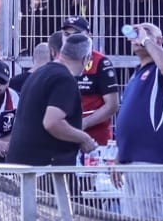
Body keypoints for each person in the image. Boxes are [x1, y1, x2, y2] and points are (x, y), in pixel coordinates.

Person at [112, 23, 163, 220]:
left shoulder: (162, 70)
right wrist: (119, 156)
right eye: (136, 32)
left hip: (151, 159)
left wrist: (146, 40)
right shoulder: (136, 74)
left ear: (158, 41)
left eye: (146, 31)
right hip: (131, 160)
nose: (139, 35)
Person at [6, 33, 99, 166]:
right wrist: (84, 138)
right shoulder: (64, 79)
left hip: (22, 163)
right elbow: (52, 123)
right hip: (44, 168)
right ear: (86, 58)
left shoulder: (39, 73)